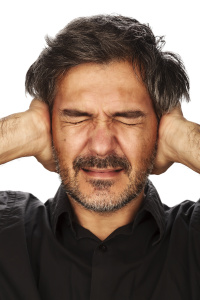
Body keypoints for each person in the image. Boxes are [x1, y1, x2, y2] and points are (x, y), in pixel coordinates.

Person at [0, 15, 199, 300]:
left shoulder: (193, 238)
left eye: (127, 118)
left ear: (159, 126)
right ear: (49, 125)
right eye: (78, 117)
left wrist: (183, 138)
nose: (102, 146)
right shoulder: (6, 230)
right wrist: (21, 130)